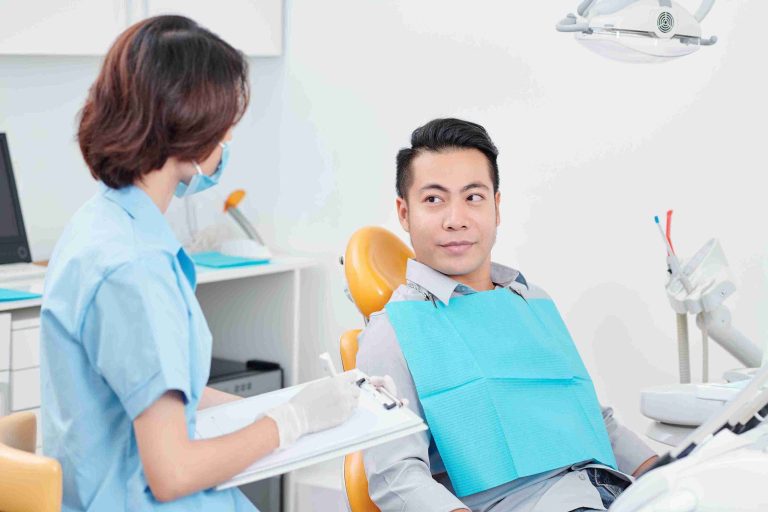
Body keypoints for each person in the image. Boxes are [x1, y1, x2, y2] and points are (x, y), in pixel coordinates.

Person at [40, 16, 359, 511]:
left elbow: (153, 388)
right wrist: (290, 422)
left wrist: (283, 405)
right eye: (226, 120)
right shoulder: (135, 269)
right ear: (190, 123)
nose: (228, 134)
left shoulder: (102, 224)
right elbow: (173, 473)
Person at [356, 118, 659, 512]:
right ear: (404, 212)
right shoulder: (393, 331)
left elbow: (595, 420)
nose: (456, 219)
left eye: (473, 197)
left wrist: (672, 475)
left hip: (614, 493)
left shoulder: (532, 301)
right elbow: (396, 476)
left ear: (496, 207)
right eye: (433, 199)